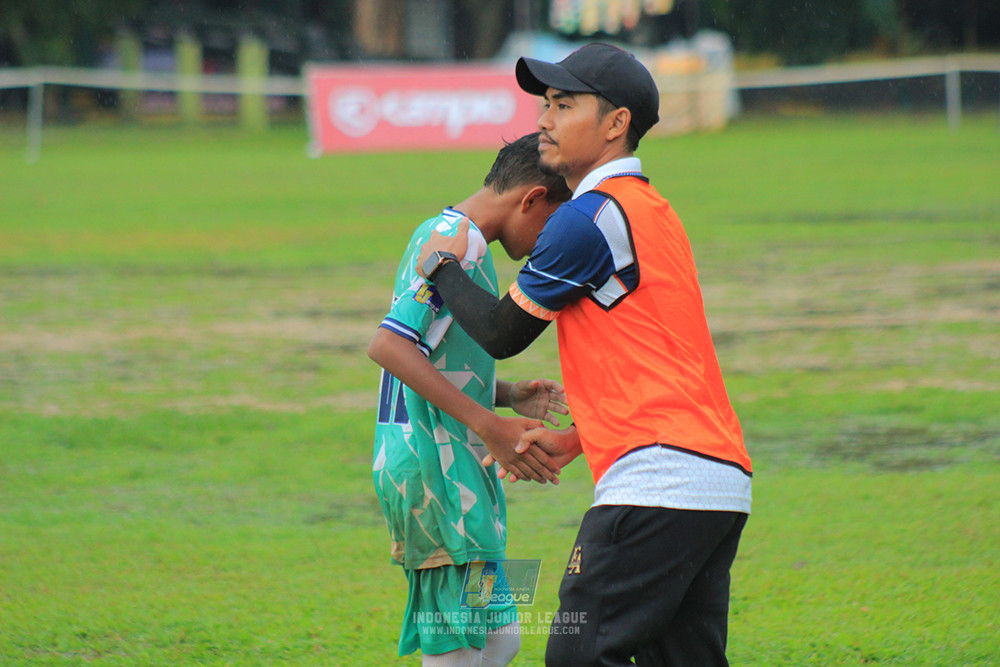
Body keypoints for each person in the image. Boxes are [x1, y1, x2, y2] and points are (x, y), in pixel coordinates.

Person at [415, 44, 753, 666]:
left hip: (659, 483)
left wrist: (441, 268)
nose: (544, 118)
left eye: (564, 104)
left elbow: (500, 333)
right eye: (546, 103)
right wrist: (578, 439)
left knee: (576, 652)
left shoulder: (588, 218)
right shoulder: (653, 210)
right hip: (718, 481)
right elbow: (662, 361)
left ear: (615, 124)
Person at [368, 133, 572, 666]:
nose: (551, 243)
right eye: (556, 224)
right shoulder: (451, 242)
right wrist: (488, 423)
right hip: (432, 472)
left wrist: (504, 395)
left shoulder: (463, 242)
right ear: (531, 199)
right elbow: (388, 346)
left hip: (459, 465)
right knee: (458, 649)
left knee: (502, 638)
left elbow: (430, 353)